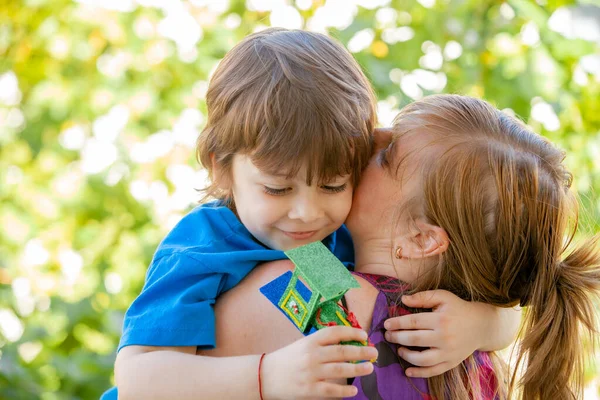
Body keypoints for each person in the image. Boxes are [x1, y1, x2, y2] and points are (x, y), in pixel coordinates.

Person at [105, 27, 519, 399]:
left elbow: (511, 313)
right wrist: (266, 376)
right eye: (277, 188)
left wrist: (481, 326)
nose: (307, 213)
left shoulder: (334, 242)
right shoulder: (203, 245)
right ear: (221, 167)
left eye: (333, 185)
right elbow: (139, 380)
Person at [206, 95, 600, 400]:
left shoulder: (309, 279)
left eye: (387, 155)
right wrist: (492, 322)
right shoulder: (476, 357)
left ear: (422, 238)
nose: (369, 139)